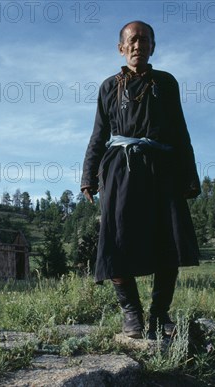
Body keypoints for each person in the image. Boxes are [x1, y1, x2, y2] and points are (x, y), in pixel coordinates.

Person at [81, 21, 201, 339]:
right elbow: (98, 134)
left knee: (170, 241)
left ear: (153, 47)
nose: (138, 45)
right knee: (116, 240)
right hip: (120, 169)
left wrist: (189, 175)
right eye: (132, 40)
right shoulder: (109, 87)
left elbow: (180, 130)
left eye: (144, 40)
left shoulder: (166, 83)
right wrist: (87, 176)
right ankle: (131, 314)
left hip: (162, 168)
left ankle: (160, 315)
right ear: (121, 48)